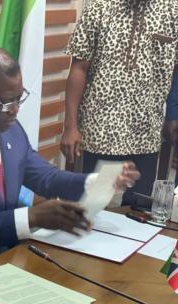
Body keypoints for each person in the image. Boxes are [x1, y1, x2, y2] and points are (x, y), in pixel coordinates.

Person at [0, 46, 139, 256]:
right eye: (7, 103)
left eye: (20, 99)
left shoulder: (9, 128)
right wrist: (30, 218)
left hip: (12, 255)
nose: (15, 111)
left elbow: (46, 177)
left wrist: (99, 181)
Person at [61, 0, 178, 204]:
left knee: (139, 209)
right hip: (99, 131)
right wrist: (70, 126)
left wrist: (173, 114)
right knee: (93, 206)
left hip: (146, 133)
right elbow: (79, 68)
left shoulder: (172, 10)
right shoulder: (99, 7)